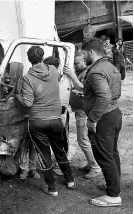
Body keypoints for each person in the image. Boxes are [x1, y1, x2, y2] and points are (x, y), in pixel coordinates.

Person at [15, 46, 75, 197]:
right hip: (55, 119)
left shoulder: (27, 78)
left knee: (44, 155)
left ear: (29, 60)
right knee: (59, 151)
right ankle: (70, 180)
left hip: (38, 122)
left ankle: (52, 188)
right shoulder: (53, 71)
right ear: (43, 56)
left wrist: (17, 95)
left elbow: (28, 103)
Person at [81, 38, 122, 207]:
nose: (83, 58)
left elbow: (104, 96)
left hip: (103, 118)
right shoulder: (111, 67)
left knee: (104, 155)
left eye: (83, 54)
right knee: (111, 153)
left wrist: (92, 119)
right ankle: (114, 185)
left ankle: (113, 196)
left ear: (91, 52)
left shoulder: (96, 71)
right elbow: (115, 92)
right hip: (114, 113)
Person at [63, 52, 101, 180]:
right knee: (86, 140)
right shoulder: (82, 73)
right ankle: (91, 164)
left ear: (84, 61)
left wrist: (72, 76)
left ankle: (95, 167)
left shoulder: (87, 73)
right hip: (80, 111)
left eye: (77, 63)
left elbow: (83, 88)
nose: (74, 65)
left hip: (84, 113)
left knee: (83, 140)